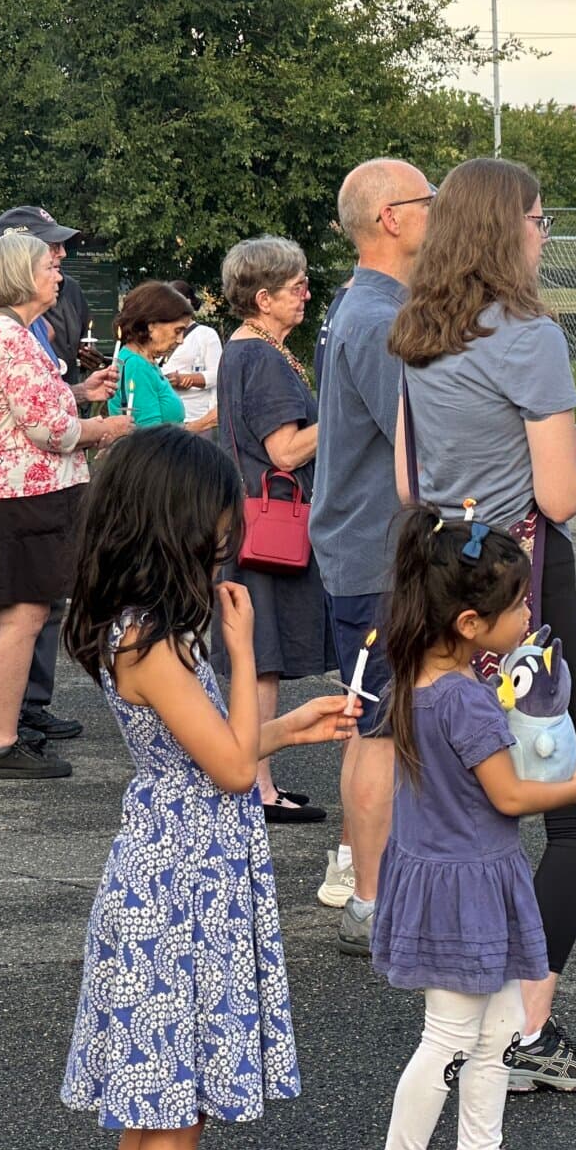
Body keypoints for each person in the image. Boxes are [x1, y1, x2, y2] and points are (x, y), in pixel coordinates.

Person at [389, 156, 576, 1093]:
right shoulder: (528, 334)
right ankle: (520, 1029)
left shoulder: (415, 330)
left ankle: (466, 1021)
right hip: (524, 584)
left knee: (470, 800)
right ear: (506, 229)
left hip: (446, 574)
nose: (546, 233)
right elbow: (558, 492)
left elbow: (414, 484)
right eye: (538, 218)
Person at [60, 427, 358, 1150]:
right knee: (174, 1112)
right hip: (179, 886)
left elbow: (202, 751)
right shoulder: (151, 641)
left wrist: (287, 728)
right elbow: (228, 768)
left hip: (175, 871)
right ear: (177, 526)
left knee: (155, 1106)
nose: (225, 545)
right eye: (217, 531)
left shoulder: (137, 627)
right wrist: (246, 645)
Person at [358, 506, 576, 1150]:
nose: (525, 617)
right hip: (470, 887)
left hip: (451, 880)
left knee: (494, 1034)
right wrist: (572, 787)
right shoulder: (468, 702)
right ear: (468, 624)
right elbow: (510, 796)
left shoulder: (421, 683)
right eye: (515, 606)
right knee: (453, 1039)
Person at [311, 157, 433, 945]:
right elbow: (417, 447)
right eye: (428, 200)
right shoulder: (380, 318)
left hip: (368, 548)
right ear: (391, 218)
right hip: (377, 553)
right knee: (379, 728)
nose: (440, 212)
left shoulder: (364, 306)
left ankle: (372, 886)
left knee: (380, 723)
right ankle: (369, 899)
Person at [0, 233, 133, 779]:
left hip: (8, 492)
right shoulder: (9, 336)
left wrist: (80, 392)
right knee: (24, 615)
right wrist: (107, 428)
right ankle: (2, 742)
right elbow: (50, 430)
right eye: (48, 266)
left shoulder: (6, 332)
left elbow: (30, 407)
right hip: (23, 495)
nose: (58, 274)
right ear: (20, 275)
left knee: (13, 616)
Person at [213, 235, 334, 824]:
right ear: (263, 298)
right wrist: (341, 415)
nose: (306, 294)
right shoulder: (261, 356)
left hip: (248, 520)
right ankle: (257, 788)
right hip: (270, 527)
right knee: (261, 657)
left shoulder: (243, 348)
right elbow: (284, 451)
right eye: (296, 287)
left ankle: (257, 782)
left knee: (257, 655)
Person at [105, 281, 191, 428]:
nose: (180, 340)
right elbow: (151, 434)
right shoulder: (136, 365)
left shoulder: (145, 361)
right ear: (152, 325)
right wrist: (205, 423)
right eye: (177, 331)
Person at [162, 279, 223, 435]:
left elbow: (219, 374)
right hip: (165, 417)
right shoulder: (160, 333)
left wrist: (187, 379)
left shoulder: (206, 334)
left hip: (197, 416)